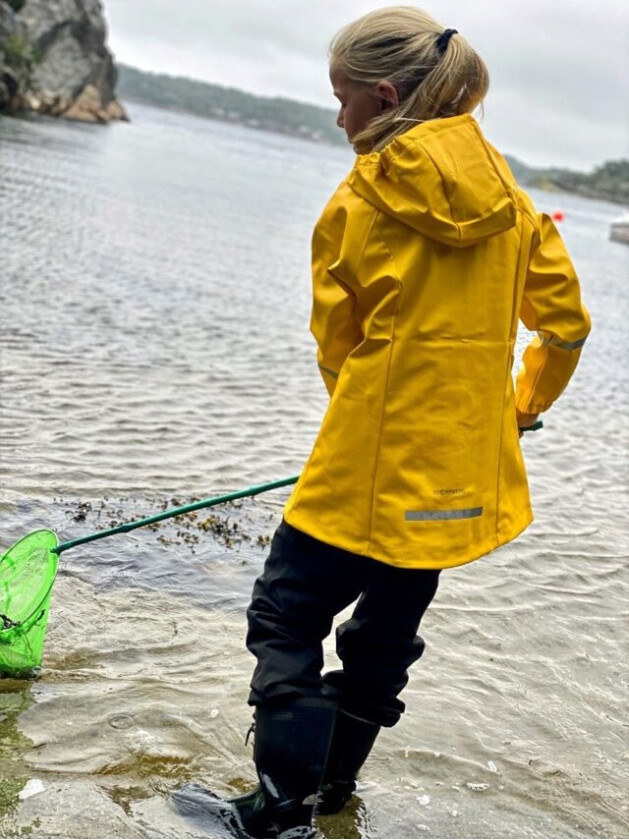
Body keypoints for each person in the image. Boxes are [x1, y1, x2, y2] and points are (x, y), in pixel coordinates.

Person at [174, 6, 590, 838]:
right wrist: (516, 408)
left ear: (386, 96)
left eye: (341, 99)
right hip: (457, 477)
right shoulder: (511, 198)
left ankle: (277, 809)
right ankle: (330, 796)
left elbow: (338, 343)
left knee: (285, 619)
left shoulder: (360, 198)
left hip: (368, 462)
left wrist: (360, 426)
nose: (337, 118)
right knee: (382, 640)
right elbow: (564, 324)